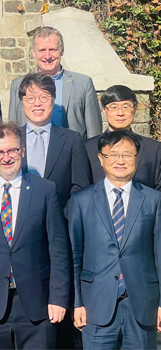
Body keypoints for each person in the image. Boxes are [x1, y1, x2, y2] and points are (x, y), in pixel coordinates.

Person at [0, 122, 71, 349]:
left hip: (38, 307)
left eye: (11, 150)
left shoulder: (45, 190)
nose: (6, 157)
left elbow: (58, 250)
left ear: (22, 151)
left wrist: (58, 298)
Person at [69, 130, 161, 349]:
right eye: (113, 154)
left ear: (136, 158)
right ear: (101, 159)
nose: (121, 160)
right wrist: (77, 303)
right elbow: (74, 254)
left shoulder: (153, 200)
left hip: (142, 305)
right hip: (96, 306)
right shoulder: (82, 201)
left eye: (128, 155)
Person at [9, 26, 102, 139]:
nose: (47, 56)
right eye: (42, 50)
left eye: (52, 50)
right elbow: (13, 128)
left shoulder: (83, 83)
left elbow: (94, 132)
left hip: (71, 153)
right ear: (34, 53)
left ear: (61, 51)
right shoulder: (18, 85)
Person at [17, 72, 92, 210]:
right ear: (22, 102)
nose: (37, 104)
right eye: (31, 98)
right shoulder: (12, 139)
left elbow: (80, 186)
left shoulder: (72, 140)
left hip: (60, 221)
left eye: (44, 97)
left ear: (53, 100)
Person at [85, 85, 161, 190]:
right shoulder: (87, 148)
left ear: (135, 109)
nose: (120, 113)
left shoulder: (153, 149)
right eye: (114, 107)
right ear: (104, 110)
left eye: (126, 107)